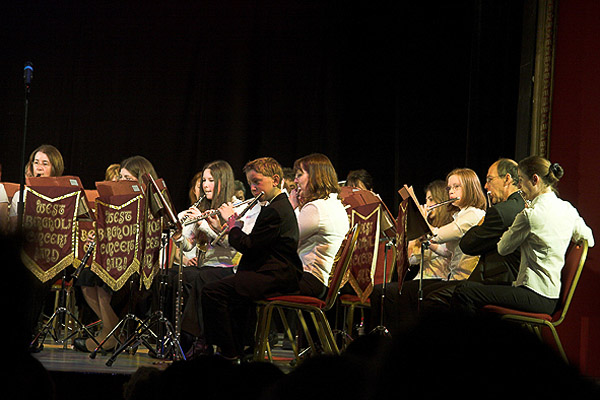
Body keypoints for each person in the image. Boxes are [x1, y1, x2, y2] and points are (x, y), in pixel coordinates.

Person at [451, 156, 594, 316]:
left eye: (520, 180)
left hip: (533, 295)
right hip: (552, 295)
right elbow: (588, 240)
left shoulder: (529, 215)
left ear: (535, 180)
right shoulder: (568, 209)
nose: (518, 186)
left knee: (464, 292)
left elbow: (503, 248)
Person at [201, 157, 302, 360]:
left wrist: (233, 226)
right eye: (250, 184)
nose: (253, 188)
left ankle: (228, 352)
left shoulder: (275, 210)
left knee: (212, 292)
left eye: (257, 182)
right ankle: (239, 347)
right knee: (231, 292)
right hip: (269, 272)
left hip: (275, 276)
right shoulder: (274, 206)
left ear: (275, 180)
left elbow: (249, 246)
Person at [369, 168, 486, 336]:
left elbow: (438, 235)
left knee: (406, 294)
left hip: (463, 281)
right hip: (452, 278)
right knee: (395, 292)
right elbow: (446, 251)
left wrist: (422, 220)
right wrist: (425, 239)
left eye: (456, 187)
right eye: (449, 188)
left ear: (470, 187)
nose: (451, 191)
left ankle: (403, 338)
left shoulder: (473, 214)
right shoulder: (461, 215)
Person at [74, 155, 158, 352]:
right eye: (121, 177)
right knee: (85, 277)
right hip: (115, 260)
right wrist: (98, 237)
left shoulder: (150, 202)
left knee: (105, 280)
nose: (122, 182)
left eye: (128, 178)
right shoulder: (116, 203)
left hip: (138, 264)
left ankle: (109, 336)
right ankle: (113, 332)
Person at [176, 160, 260, 356]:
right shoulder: (204, 206)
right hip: (206, 266)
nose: (205, 185)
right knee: (173, 276)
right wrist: (179, 235)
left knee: (200, 278)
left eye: (211, 180)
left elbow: (234, 246)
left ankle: (195, 339)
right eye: (204, 180)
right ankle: (186, 336)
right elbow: (189, 245)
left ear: (223, 181)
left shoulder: (238, 208)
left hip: (228, 267)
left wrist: (207, 226)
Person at [421, 158, 526, 313]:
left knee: (431, 296)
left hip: (499, 280)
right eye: (449, 188)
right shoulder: (519, 206)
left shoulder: (490, 212)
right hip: (485, 277)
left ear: (507, 179)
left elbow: (468, 245)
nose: (486, 186)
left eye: (490, 179)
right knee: (424, 292)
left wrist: (421, 219)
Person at [288, 153, 350, 299]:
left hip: (309, 280)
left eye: (299, 175)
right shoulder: (334, 204)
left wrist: (290, 207)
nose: (295, 180)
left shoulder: (316, 208)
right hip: (320, 282)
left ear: (315, 176)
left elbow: (286, 239)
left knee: (249, 283)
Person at [9, 144, 65, 230]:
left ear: (55, 168)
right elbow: (14, 230)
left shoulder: (64, 196)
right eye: (36, 163)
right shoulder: (20, 195)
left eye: (45, 164)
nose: (39, 168)